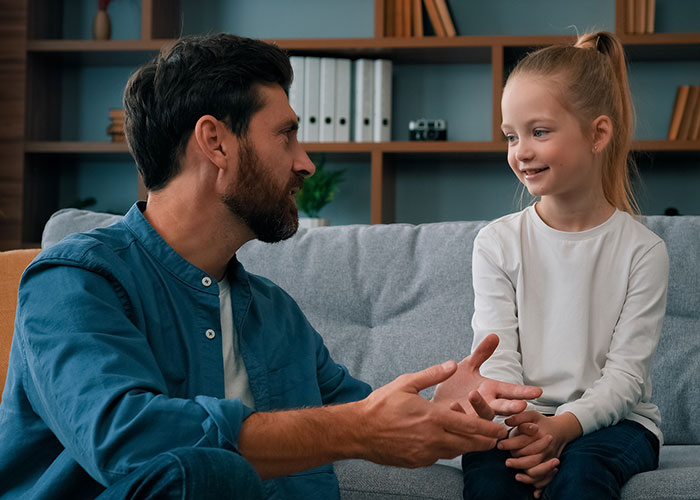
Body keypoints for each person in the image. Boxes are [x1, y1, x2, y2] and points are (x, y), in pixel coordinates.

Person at [0, 34, 542, 500]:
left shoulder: (276, 315)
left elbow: (367, 416)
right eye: (286, 134)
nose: (305, 162)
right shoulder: (75, 281)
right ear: (215, 142)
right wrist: (354, 429)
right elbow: (128, 442)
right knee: (209, 472)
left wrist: (443, 412)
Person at [451, 31, 669, 500]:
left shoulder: (644, 251)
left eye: (539, 132)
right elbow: (498, 354)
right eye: (511, 136)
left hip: (615, 424)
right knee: (490, 477)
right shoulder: (496, 243)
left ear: (598, 134)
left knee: (582, 477)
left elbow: (626, 378)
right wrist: (525, 426)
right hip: (520, 419)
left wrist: (562, 429)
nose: (520, 151)